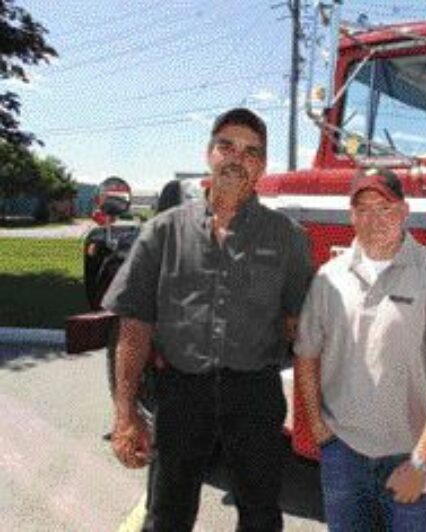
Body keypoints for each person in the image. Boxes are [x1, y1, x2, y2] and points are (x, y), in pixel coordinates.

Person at [103, 108, 312, 531]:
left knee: (260, 515)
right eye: (227, 146)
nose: (238, 158)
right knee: (167, 515)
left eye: (251, 151)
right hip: (181, 394)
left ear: (263, 166)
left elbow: (301, 328)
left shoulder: (288, 238)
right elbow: (134, 328)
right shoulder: (162, 232)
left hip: (254, 394)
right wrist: (125, 413)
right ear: (209, 154)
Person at [294, 168, 426, 531]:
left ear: (404, 212)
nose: (374, 219)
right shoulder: (329, 278)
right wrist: (320, 430)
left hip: (412, 456)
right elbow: (306, 354)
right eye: (363, 209)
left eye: (385, 208)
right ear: (351, 215)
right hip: (343, 452)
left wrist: (420, 462)